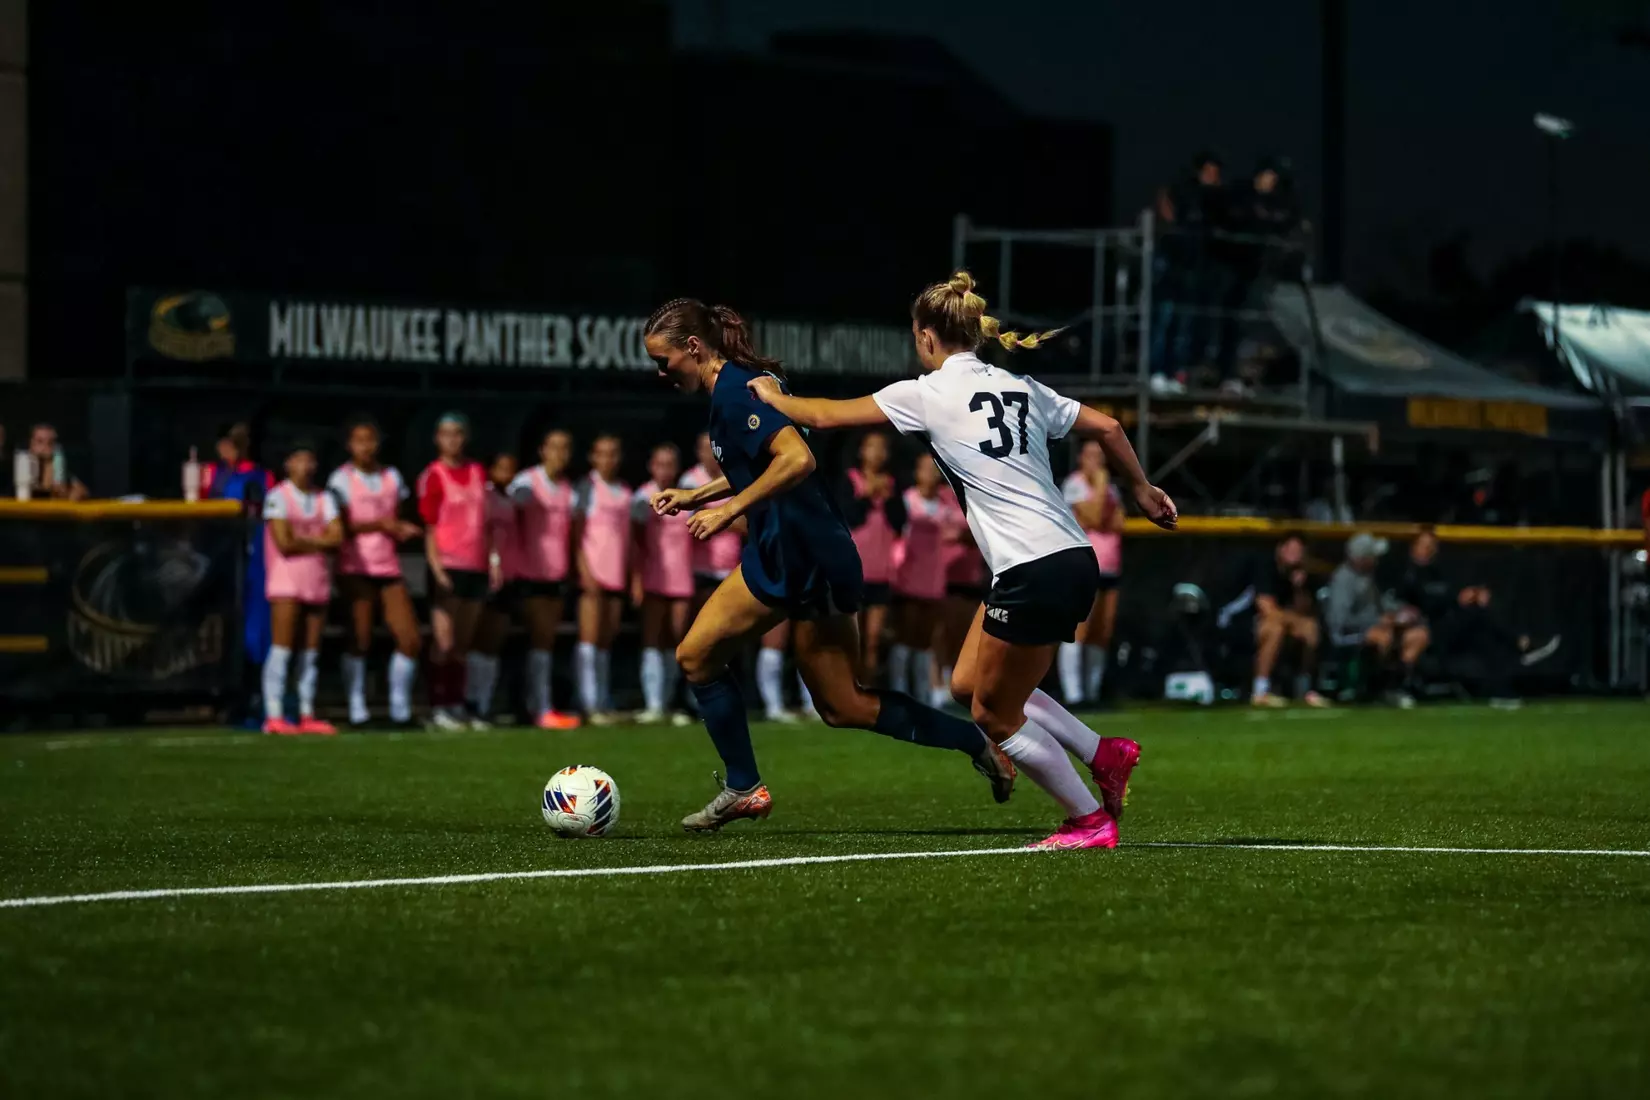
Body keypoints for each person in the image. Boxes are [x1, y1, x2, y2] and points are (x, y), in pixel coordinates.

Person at [748, 271, 1177, 850]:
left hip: (1033, 565)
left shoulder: (926, 393)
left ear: (927, 338)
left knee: (995, 716)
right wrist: (1143, 489)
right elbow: (1107, 425)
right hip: (1065, 556)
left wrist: (773, 397)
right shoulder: (1021, 385)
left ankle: (1088, 820)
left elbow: (823, 416)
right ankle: (1103, 753)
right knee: (967, 682)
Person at [643, 297, 1017, 831]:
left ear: (694, 348)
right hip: (788, 550)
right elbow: (762, 464)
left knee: (727, 666)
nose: (661, 372)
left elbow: (798, 459)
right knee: (827, 701)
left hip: (805, 556)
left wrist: (728, 511)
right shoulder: (741, 384)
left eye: (664, 360)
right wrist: (697, 493)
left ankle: (747, 783)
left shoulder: (732, 392)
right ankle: (746, 785)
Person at [1392, 528, 1559, 706]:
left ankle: (1500, 690)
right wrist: (1459, 599)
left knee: (1484, 637)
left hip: (1449, 629)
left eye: (1432, 546)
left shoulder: (1436, 574)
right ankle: (1520, 644)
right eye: (1424, 545)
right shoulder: (1407, 575)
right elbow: (1415, 605)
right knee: (1477, 617)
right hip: (1430, 632)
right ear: (1413, 548)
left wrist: (1471, 595)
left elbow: (1448, 599)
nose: (1428, 550)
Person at [328, 418, 423, 728]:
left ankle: (400, 709)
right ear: (349, 445)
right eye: (359, 440)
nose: (365, 447)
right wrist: (380, 525)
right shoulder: (341, 480)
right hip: (355, 566)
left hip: (387, 565)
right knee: (360, 637)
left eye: (370, 440)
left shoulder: (392, 476)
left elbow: (402, 514)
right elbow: (339, 527)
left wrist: (402, 528)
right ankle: (358, 710)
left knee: (409, 637)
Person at [417, 413, 495, 730]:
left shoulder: (477, 472)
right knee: (444, 642)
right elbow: (430, 527)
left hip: (475, 563)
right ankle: (439, 706)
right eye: (447, 434)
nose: (453, 440)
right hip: (448, 564)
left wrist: (493, 561)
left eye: (458, 433)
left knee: (463, 642)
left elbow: (486, 522)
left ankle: (457, 704)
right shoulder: (433, 475)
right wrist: (437, 569)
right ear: (437, 438)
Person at [261, 441, 343, 734]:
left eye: (310, 461)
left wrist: (304, 540)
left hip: (316, 580)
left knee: (310, 652)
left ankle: (307, 712)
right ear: (288, 464)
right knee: (282, 648)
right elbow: (284, 542)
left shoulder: (324, 497)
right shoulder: (278, 497)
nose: (306, 467)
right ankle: (274, 713)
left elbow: (337, 536)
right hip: (286, 580)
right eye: (299, 460)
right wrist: (318, 539)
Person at [507, 430, 581, 730]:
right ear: (542, 450)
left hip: (556, 574)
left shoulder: (567, 489)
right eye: (554, 447)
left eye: (565, 447)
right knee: (539, 641)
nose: (560, 453)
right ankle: (538, 707)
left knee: (545, 642)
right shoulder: (525, 483)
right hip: (529, 574)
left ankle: (540, 705)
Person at [203, 422, 276, 727]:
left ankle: (253, 698)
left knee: (255, 631)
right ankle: (223, 697)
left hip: (255, 560)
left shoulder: (262, 477)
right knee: (224, 628)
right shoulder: (211, 474)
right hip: (219, 559)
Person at [632, 443, 695, 725]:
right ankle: (653, 704)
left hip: (681, 576)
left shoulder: (687, 497)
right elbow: (634, 543)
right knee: (652, 638)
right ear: (651, 466)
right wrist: (636, 578)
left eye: (670, 464)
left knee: (676, 640)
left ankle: (669, 702)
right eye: (660, 464)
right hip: (653, 575)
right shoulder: (642, 497)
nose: (665, 470)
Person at [1059, 439, 1125, 708]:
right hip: (1085, 564)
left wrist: (1102, 493)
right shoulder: (1074, 485)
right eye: (1091, 456)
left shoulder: (1110, 489)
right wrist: (1099, 487)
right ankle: (1074, 694)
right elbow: (1097, 517)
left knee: (1102, 632)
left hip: (1110, 565)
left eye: (1100, 457)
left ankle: (1092, 691)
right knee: (1079, 630)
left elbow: (1119, 522)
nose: (1097, 462)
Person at [1326, 532, 1425, 708]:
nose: (1376, 559)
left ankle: (1396, 686)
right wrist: (1378, 621)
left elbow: (1381, 604)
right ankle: (1372, 689)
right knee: (1382, 637)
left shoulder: (1368, 576)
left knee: (1417, 636)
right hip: (1348, 634)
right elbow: (1340, 620)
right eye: (1372, 556)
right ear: (1360, 558)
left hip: (1376, 627)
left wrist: (1400, 612)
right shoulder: (1343, 579)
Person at [573, 434, 630, 725]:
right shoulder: (587, 488)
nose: (608, 459)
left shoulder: (624, 491)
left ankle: (602, 699)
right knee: (589, 640)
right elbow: (576, 534)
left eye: (613, 453)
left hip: (616, 576)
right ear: (593, 457)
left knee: (606, 641)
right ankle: (588, 702)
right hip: (593, 576)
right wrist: (584, 572)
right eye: (602, 453)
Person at [841, 431, 905, 686]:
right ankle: (846, 684)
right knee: (852, 635)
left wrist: (888, 498)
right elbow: (849, 517)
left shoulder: (892, 484)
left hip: (881, 570)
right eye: (872, 447)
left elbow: (899, 521)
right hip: (855, 568)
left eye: (882, 448)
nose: (877, 453)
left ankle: (867, 686)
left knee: (874, 638)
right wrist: (867, 494)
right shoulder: (850, 480)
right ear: (861, 451)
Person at [468, 452, 523, 728]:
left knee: (494, 642)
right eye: (502, 468)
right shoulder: (485, 497)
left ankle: (485, 703)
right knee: (480, 639)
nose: (507, 474)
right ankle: (472, 701)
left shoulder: (510, 499)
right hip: (490, 574)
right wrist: (492, 561)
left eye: (511, 469)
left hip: (510, 575)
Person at [887, 454, 948, 702]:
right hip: (909, 571)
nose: (931, 473)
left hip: (933, 575)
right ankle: (899, 689)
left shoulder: (946, 502)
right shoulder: (907, 500)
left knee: (925, 638)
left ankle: (923, 692)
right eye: (926, 468)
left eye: (935, 468)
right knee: (905, 633)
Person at [1250, 533, 1329, 708]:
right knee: (1275, 629)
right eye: (1291, 550)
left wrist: (1298, 588)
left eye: (1299, 551)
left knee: (1310, 628)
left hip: (1282, 622)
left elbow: (1304, 609)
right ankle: (1260, 691)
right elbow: (1267, 609)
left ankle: (1306, 689)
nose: (1295, 555)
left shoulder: (1299, 575)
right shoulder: (1266, 567)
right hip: (1241, 622)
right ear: (1281, 549)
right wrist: (1295, 622)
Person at [936, 483, 984, 710]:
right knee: (944, 634)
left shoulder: (974, 491)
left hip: (972, 576)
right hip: (944, 576)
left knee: (966, 637)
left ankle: (959, 688)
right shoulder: (941, 496)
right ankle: (941, 686)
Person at [23, 423, 89, 501]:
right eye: (40, 441)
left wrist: (74, 494)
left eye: (50, 443)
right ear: (31, 444)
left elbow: (81, 491)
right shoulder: (19, 470)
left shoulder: (64, 474)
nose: (45, 447)